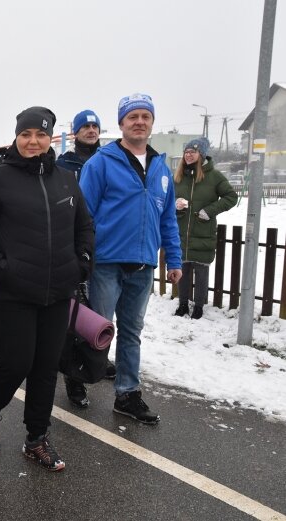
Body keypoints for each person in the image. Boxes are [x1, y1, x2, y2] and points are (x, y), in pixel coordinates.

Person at [0, 106, 94, 471]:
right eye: (26, 135)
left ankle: (36, 438)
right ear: (16, 137)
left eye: (40, 135)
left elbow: (84, 225)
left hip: (57, 291)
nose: (33, 141)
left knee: (45, 366)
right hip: (12, 292)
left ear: (50, 137)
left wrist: (82, 261)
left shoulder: (66, 179)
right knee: (16, 362)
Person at [79, 93, 182, 424]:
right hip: (106, 264)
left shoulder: (161, 169)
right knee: (95, 329)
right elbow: (83, 215)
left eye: (145, 116)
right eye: (132, 116)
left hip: (143, 266)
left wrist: (174, 260)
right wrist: (81, 255)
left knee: (132, 332)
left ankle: (126, 395)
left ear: (152, 122)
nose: (139, 122)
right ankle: (76, 376)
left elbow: (167, 219)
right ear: (121, 123)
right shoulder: (101, 163)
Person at [56, 109, 114, 407]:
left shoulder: (109, 159)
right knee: (77, 314)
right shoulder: (63, 164)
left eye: (95, 126)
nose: (91, 130)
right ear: (75, 132)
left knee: (100, 313)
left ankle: (96, 359)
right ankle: (74, 378)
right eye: (85, 126)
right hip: (71, 246)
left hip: (103, 246)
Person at [173, 137, 237, 319]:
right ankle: (183, 304)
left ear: (201, 155)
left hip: (203, 232)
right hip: (181, 232)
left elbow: (231, 197)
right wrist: (175, 206)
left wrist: (210, 211)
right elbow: (164, 199)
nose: (188, 155)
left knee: (201, 272)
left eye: (192, 152)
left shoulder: (214, 176)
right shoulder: (178, 177)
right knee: (182, 270)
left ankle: (199, 307)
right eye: (186, 152)